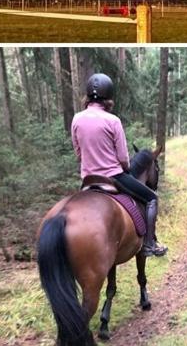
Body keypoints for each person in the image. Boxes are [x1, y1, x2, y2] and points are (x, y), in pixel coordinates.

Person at [71, 73, 167, 257]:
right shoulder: (112, 120)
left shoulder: (76, 119)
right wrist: (121, 166)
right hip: (114, 176)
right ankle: (149, 244)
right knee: (152, 198)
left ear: (88, 96)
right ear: (108, 98)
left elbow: (78, 153)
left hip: (88, 179)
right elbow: (123, 159)